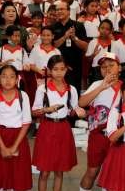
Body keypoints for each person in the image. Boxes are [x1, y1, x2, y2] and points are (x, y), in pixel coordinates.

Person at [32, 55, 84, 191]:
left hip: (63, 128)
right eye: (55, 69)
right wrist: (46, 109)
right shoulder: (43, 89)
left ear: (66, 70)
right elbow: (34, 112)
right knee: (44, 171)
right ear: (49, 70)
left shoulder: (71, 89)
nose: (59, 72)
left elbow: (72, 111)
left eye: (62, 69)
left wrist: (78, 112)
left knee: (59, 170)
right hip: (47, 128)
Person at [0, 65, 32, 191]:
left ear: (17, 79)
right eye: (4, 76)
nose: (8, 80)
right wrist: (3, 148)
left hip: (19, 138)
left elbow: (26, 123)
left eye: (12, 77)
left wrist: (14, 147)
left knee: (18, 176)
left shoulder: (23, 96)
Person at [78, 52, 121, 191]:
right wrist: (102, 87)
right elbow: (82, 102)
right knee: (92, 171)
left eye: (111, 65)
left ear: (119, 68)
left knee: (112, 172)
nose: (107, 69)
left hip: (117, 136)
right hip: (98, 136)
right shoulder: (97, 84)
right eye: (103, 67)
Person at [52, 0, 88, 91]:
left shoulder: (78, 25)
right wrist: (65, 36)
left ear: (68, 11)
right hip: (58, 66)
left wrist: (74, 38)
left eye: (61, 9)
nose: (59, 11)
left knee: (74, 92)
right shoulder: (53, 27)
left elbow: (85, 47)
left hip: (75, 66)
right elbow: (52, 46)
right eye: (57, 10)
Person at [85, 19, 114, 84]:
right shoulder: (93, 42)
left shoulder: (114, 44)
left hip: (109, 71)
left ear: (111, 31)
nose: (104, 30)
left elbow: (114, 60)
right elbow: (88, 60)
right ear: (98, 29)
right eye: (102, 28)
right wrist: (93, 55)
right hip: (96, 72)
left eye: (107, 29)